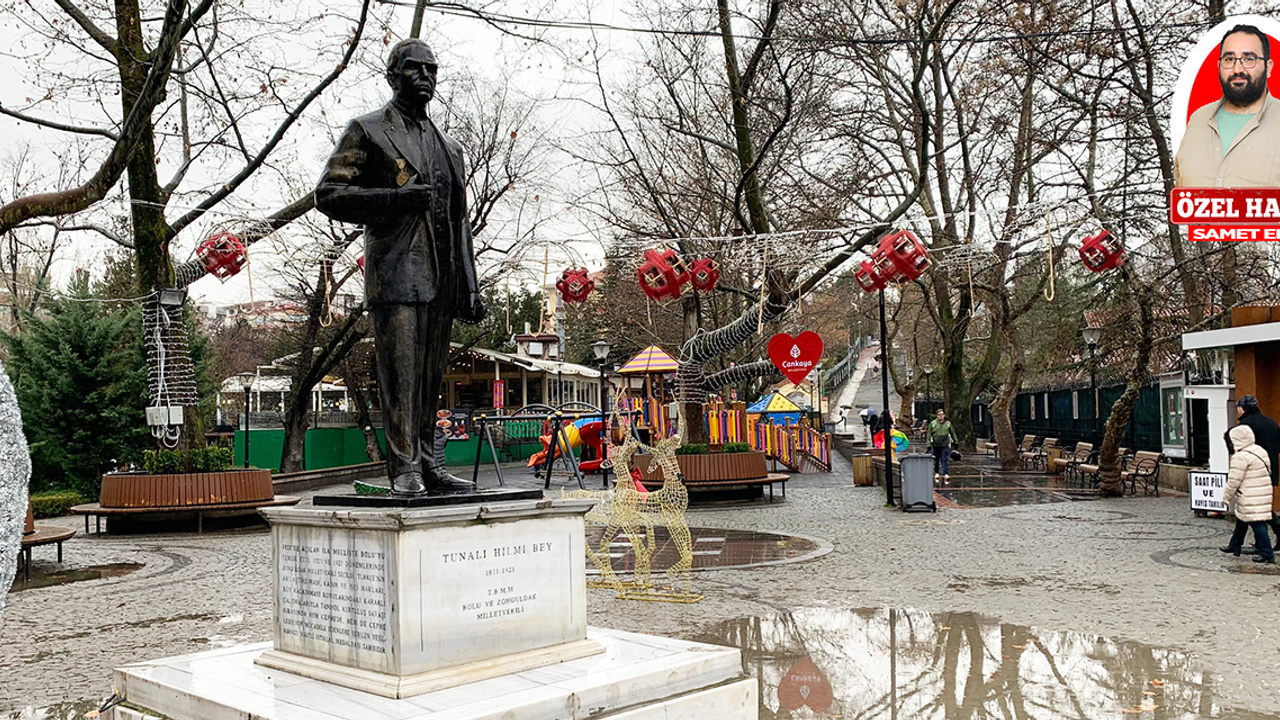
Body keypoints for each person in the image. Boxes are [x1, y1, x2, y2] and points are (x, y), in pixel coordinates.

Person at [315, 39, 485, 496]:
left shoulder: (451, 147)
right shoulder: (368, 131)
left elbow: (458, 219)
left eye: (432, 69)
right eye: (415, 69)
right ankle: (404, 468)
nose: (426, 76)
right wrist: (394, 199)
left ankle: (429, 464)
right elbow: (328, 194)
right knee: (401, 377)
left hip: (442, 280)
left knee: (430, 380)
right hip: (395, 277)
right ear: (393, 77)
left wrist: (469, 285)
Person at [1174, 25, 1280, 188]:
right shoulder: (1197, 120)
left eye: (1249, 59)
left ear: (1268, 67)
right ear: (1219, 66)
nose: (1237, 69)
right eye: (1229, 59)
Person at [1220, 425, 1275, 563]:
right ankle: (1235, 545)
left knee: (1257, 523)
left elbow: (1234, 480)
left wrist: (1226, 498)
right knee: (1242, 520)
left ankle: (1267, 552)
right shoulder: (1259, 450)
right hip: (1262, 491)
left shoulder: (1240, 457)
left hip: (1250, 493)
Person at [1232, 395, 1280, 535]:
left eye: (1239, 408)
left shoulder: (1245, 426)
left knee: (1255, 506)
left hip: (1253, 471)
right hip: (1271, 466)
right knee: (1257, 504)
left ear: (1243, 409)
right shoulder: (1271, 422)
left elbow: (1241, 448)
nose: (1238, 411)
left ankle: (1265, 543)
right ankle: (1236, 543)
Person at [928, 409, 959, 485]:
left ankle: (945, 473)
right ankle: (937, 472)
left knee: (944, 459)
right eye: (939, 415)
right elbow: (929, 435)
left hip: (945, 444)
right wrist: (928, 444)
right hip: (936, 445)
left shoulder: (948, 423)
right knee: (936, 459)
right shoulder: (933, 424)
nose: (941, 416)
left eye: (942, 414)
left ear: (944, 415)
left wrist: (956, 442)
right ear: (937, 416)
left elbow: (952, 433)